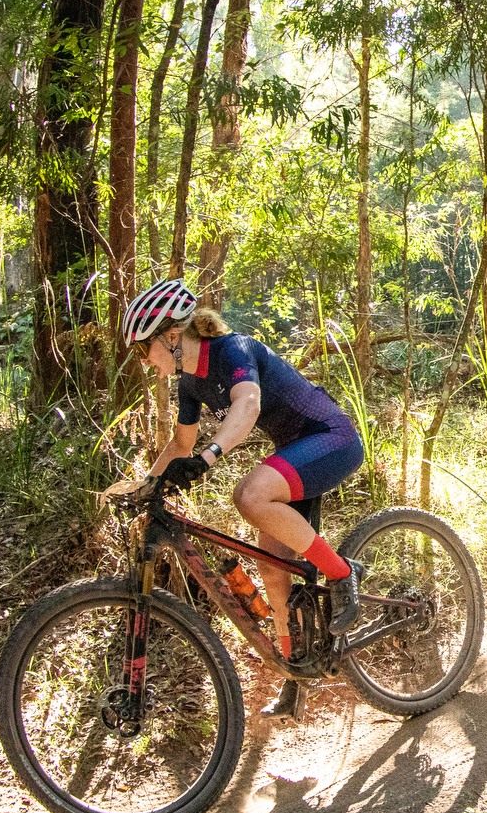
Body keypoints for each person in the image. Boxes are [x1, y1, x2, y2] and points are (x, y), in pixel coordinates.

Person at [123, 278, 363, 718]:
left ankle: (343, 574)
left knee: (249, 496)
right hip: (295, 452)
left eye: (144, 350)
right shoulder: (190, 384)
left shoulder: (232, 351)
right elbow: (180, 444)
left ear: (171, 337)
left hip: (332, 438)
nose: (145, 361)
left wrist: (209, 457)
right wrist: (144, 486)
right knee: (272, 567)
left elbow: (247, 405)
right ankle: (296, 674)